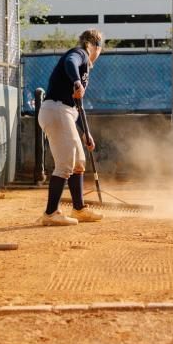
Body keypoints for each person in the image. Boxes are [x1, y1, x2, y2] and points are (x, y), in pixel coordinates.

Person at [37, 29, 105, 226]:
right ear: (96, 47)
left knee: (78, 161)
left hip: (64, 112)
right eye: (100, 49)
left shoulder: (84, 63)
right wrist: (77, 81)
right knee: (66, 163)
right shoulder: (80, 53)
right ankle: (50, 213)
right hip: (56, 110)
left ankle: (79, 208)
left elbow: (75, 107)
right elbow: (70, 62)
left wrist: (86, 134)